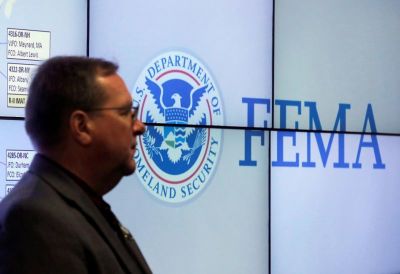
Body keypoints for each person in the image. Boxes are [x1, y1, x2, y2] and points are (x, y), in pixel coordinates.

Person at [0, 56, 152, 274]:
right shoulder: (35, 220)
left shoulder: (74, 204)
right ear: (81, 127)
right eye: (126, 113)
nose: (139, 126)